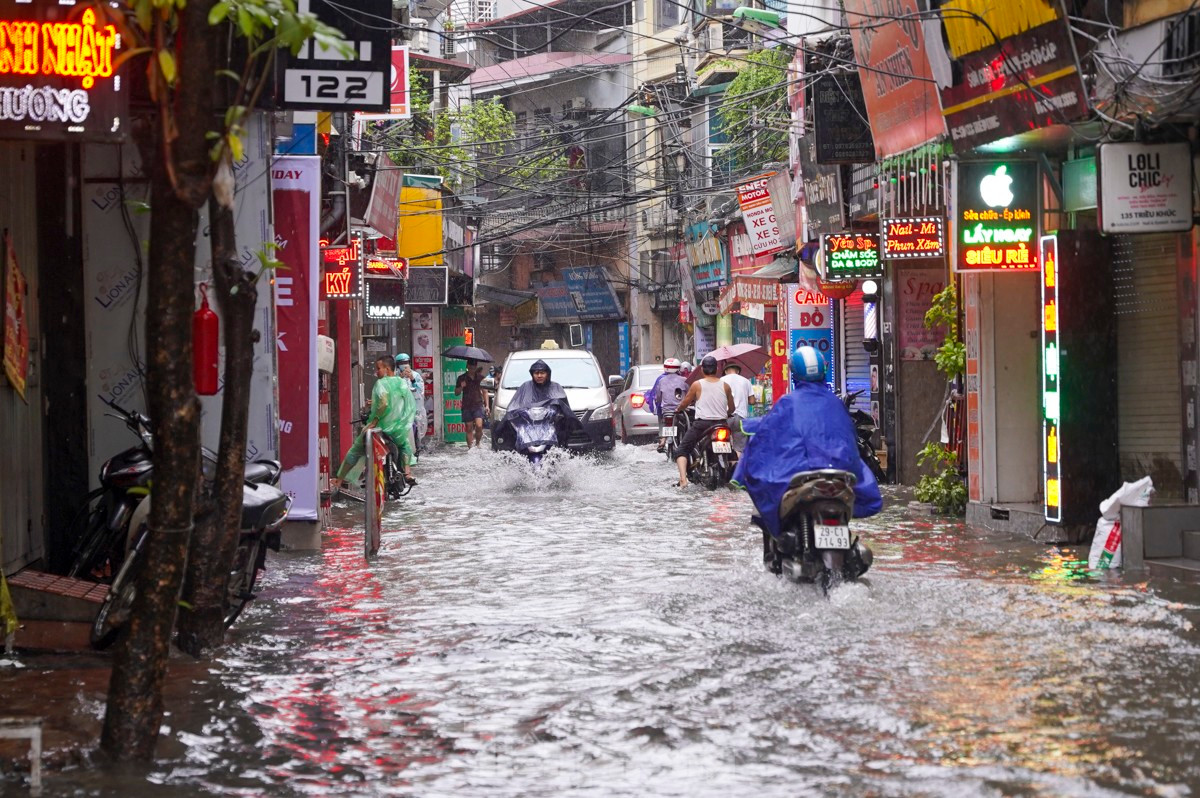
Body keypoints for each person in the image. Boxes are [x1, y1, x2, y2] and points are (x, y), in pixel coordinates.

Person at [731, 346, 881, 539]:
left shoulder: (788, 403)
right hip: (840, 472)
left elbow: (768, 436)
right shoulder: (835, 403)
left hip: (800, 473)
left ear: (794, 374)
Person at [330, 356, 417, 493]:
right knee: (405, 445)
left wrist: (374, 421)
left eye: (378, 368)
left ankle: (339, 480)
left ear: (387, 369)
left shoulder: (381, 383)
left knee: (355, 450)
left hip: (379, 429)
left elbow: (383, 403)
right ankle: (407, 473)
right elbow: (408, 404)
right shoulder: (402, 383)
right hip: (397, 430)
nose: (377, 372)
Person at [673, 355, 735, 488]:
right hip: (722, 424)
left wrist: (679, 409)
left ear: (702, 370)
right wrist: (727, 413)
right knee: (733, 454)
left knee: (682, 450)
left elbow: (685, 402)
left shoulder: (697, 384)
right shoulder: (725, 386)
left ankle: (683, 479)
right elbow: (732, 408)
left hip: (702, 425)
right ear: (717, 369)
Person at [491, 359, 581, 450]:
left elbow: (563, 405)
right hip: (527, 427)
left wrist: (556, 412)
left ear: (547, 374)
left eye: (542, 373)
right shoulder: (525, 387)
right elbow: (515, 404)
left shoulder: (556, 387)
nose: (539, 375)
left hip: (550, 426)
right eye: (536, 373)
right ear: (532, 374)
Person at [645, 358, 688, 453]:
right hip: (681, 411)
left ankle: (663, 440)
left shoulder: (661, 381)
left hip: (666, 411)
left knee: (665, 423)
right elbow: (689, 394)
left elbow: (658, 397)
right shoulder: (685, 380)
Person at [455, 358, 491, 450]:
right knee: (469, 427)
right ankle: (470, 448)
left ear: (476, 367)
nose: (472, 369)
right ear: (467, 366)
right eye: (470, 367)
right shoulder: (461, 378)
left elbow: (485, 392)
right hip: (466, 406)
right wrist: (461, 387)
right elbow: (456, 392)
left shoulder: (481, 378)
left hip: (478, 405)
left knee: (479, 426)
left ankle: (478, 443)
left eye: (474, 367)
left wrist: (487, 405)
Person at [721, 363, 755, 454]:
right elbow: (752, 401)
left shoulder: (721, 380)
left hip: (725, 416)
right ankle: (738, 465)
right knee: (740, 448)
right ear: (738, 371)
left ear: (725, 371)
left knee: (723, 445)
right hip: (741, 417)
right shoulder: (746, 381)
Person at [395, 352, 425, 454]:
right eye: (402, 362)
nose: (404, 364)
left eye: (406, 362)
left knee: (415, 427)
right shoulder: (395, 376)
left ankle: (416, 449)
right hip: (400, 409)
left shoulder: (416, 375)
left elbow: (420, 391)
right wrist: (400, 378)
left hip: (414, 408)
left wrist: (412, 380)